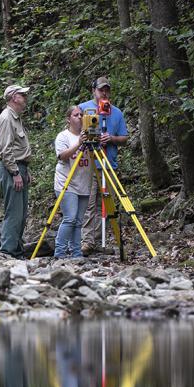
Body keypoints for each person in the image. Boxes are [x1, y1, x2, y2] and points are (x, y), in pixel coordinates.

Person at [78, 76, 127, 255]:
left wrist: (111, 138)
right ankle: (86, 241)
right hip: (89, 164)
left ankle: (98, 241)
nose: (104, 93)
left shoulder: (117, 113)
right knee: (89, 204)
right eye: (101, 90)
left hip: (109, 164)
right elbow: (73, 133)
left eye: (107, 90)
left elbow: (124, 138)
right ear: (94, 91)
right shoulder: (84, 109)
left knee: (104, 205)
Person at [0, 84, 32, 259]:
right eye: (23, 95)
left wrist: (25, 170)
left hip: (19, 167)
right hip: (12, 169)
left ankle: (16, 249)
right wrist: (16, 173)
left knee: (22, 211)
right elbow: (5, 150)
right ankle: (8, 251)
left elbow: (18, 147)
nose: (25, 97)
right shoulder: (6, 118)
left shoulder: (15, 117)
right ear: (14, 97)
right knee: (14, 211)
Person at [52, 105, 93, 260]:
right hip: (66, 183)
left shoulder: (90, 136)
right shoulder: (63, 136)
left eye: (82, 114)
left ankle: (76, 252)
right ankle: (60, 252)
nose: (80, 117)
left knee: (78, 221)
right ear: (68, 119)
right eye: (76, 115)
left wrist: (97, 142)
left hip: (84, 182)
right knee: (70, 218)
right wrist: (79, 143)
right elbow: (62, 156)